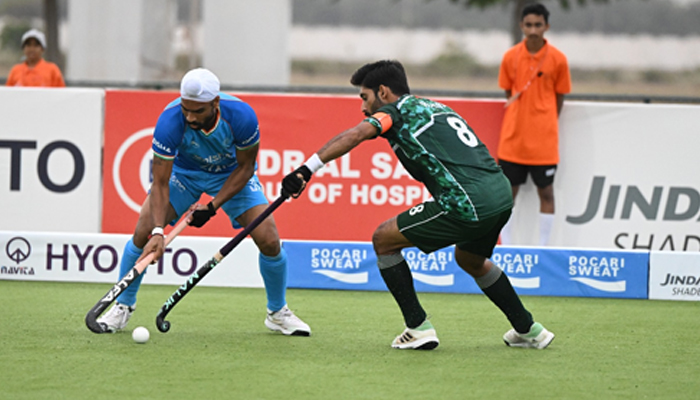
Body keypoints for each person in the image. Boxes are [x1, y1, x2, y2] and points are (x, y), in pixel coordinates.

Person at [282, 60, 553, 350]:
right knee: (470, 260)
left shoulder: (393, 112)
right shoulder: (434, 107)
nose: (363, 108)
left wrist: (306, 169)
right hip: (500, 197)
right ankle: (528, 329)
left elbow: (356, 134)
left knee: (383, 239)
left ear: (383, 92)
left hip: (467, 202)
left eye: (365, 97)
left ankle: (417, 327)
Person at [98, 68, 311, 337]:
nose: (190, 116)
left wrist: (212, 207)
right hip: (185, 176)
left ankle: (277, 312)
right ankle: (122, 306)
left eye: (198, 111)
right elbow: (161, 183)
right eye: (186, 109)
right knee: (142, 231)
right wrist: (157, 232)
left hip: (231, 174)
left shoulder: (241, 116)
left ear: (215, 103)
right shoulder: (170, 121)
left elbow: (246, 168)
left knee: (269, 238)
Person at [497, 3, 571, 246]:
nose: (533, 30)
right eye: (528, 25)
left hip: (544, 142)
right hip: (513, 139)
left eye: (538, 25)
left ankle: (543, 248)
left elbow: (560, 96)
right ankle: (506, 246)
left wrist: (545, 118)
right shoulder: (510, 56)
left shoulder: (558, 59)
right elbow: (508, 90)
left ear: (546, 26)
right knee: (508, 194)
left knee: (546, 193)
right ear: (521, 26)